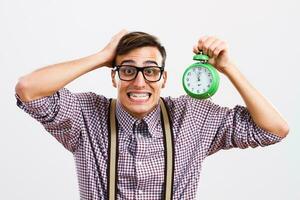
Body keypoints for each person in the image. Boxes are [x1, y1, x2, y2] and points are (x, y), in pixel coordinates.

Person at [15, 30, 289, 200]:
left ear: (164, 78)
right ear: (114, 78)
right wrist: (102, 56)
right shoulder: (87, 115)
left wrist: (229, 68)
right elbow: (28, 90)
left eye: (150, 70)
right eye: (127, 69)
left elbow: (274, 129)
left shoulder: (192, 117)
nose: (139, 81)